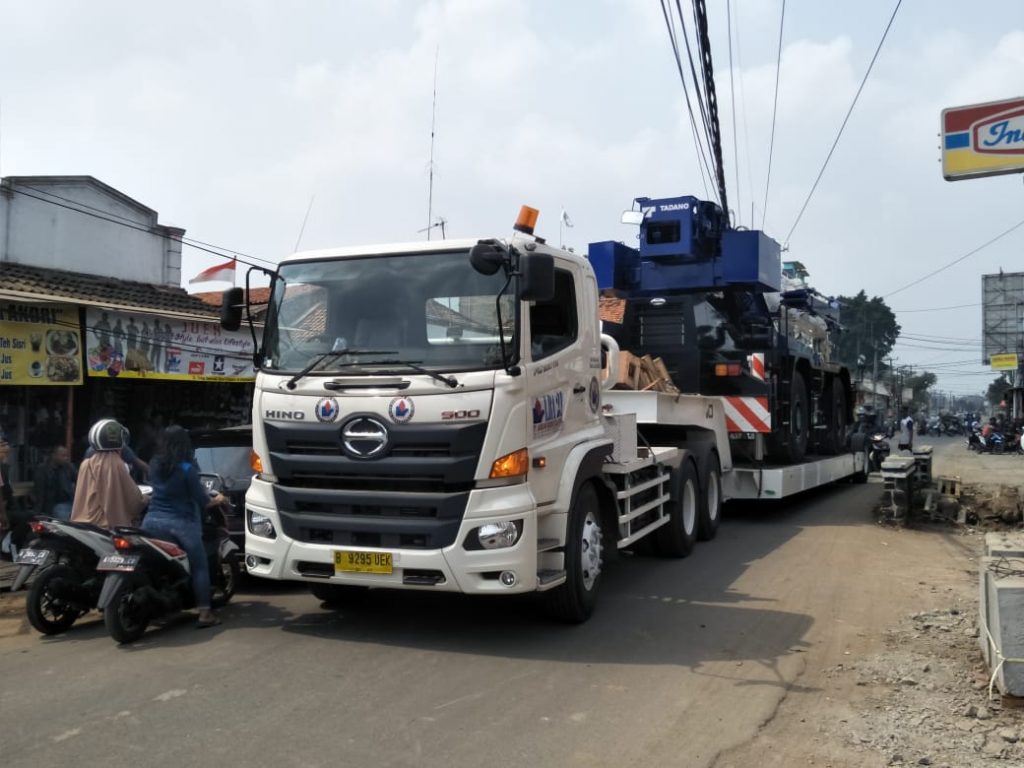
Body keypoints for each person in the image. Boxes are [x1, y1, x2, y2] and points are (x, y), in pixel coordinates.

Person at [142, 425, 226, 628]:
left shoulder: (155, 464)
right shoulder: (187, 469)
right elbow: (202, 500)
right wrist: (220, 499)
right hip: (181, 525)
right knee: (199, 566)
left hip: (151, 522)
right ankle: (205, 613)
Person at [71, 420, 148, 528]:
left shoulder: (86, 463)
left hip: (81, 526)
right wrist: (147, 498)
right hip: (106, 527)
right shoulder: (115, 463)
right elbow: (134, 501)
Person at [33, 445, 78, 520]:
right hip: (53, 504)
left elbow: (78, 479)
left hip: (69, 501)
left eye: (67, 456)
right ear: (54, 456)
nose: (66, 458)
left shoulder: (68, 467)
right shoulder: (43, 469)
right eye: (63, 456)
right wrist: (38, 512)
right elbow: (40, 491)